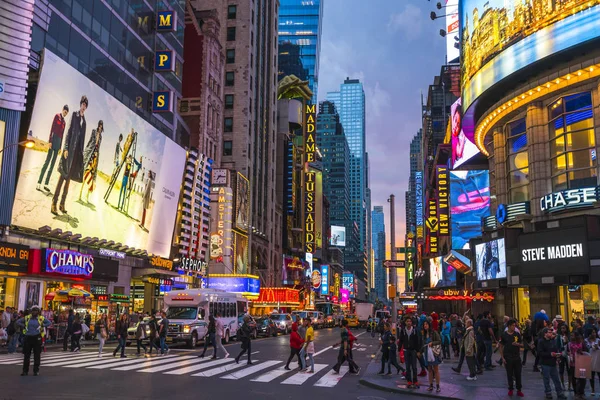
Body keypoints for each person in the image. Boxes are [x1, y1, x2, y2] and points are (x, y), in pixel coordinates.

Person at [52, 95, 88, 215]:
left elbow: (82, 141)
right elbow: (68, 133)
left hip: (76, 156)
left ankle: (62, 204)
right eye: (83, 104)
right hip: (69, 153)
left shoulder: (85, 122)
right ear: (80, 105)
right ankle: (54, 203)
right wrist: (66, 148)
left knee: (68, 181)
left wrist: (81, 157)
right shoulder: (74, 115)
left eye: (85, 105)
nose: (83, 107)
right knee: (62, 177)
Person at [38, 105, 69, 192]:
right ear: (62, 110)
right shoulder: (57, 116)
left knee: (52, 165)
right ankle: (39, 182)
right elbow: (52, 129)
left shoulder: (64, 123)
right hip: (53, 140)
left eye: (67, 113)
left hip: (58, 143)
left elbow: (62, 135)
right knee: (47, 162)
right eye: (65, 111)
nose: (65, 113)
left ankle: (46, 184)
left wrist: (60, 147)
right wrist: (50, 141)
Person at [16, 306, 51, 376]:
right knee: (26, 355)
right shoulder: (27, 318)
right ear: (31, 311)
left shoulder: (41, 318)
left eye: (36, 311)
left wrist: (42, 325)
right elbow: (18, 321)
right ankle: (25, 371)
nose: (34, 312)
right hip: (28, 337)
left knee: (37, 355)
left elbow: (49, 323)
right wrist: (24, 325)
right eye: (33, 311)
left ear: (38, 312)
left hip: (37, 337)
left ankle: (36, 370)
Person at [536, 327, 568, 399]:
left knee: (556, 379)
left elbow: (555, 349)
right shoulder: (541, 341)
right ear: (545, 334)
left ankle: (559, 393)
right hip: (545, 363)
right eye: (549, 332)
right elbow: (540, 353)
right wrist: (550, 354)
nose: (551, 334)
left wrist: (557, 356)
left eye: (551, 332)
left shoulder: (552, 341)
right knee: (546, 379)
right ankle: (548, 393)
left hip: (552, 363)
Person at [79, 120, 103, 203]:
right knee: (85, 172)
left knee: (92, 176)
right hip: (90, 154)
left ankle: (87, 196)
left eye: (101, 126)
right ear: (98, 125)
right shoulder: (94, 131)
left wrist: (99, 136)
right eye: (99, 125)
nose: (100, 127)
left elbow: (98, 146)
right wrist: (86, 151)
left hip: (95, 157)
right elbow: (90, 142)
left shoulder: (101, 137)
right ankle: (80, 193)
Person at [499, 319, 524, 397]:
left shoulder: (517, 334)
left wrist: (518, 345)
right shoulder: (504, 335)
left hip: (516, 357)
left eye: (515, 325)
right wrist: (502, 358)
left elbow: (522, 344)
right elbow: (501, 346)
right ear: (509, 326)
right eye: (513, 325)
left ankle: (519, 389)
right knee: (509, 374)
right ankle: (510, 389)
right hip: (508, 357)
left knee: (518, 374)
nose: (514, 327)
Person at [419, 320, 441, 392]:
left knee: (436, 369)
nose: (425, 325)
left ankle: (438, 386)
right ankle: (431, 385)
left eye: (426, 324)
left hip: (433, 353)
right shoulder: (424, 334)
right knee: (430, 370)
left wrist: (432, 343)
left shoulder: (434, 332)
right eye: (424, 324)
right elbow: (423, 345)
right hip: (427, 353)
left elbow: (439, 341)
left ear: (429, 325)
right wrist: (420, 352)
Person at [400, 315, 420, 388]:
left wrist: (418, 351)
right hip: (406, 350)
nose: (409, 323)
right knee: (408, 367)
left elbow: (417, 340)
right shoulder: (403, 330)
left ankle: (415, 381)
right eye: (407, 321)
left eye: (410, 321)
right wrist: (399, 350)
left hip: (413, 350)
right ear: (405, 322)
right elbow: (401, 340)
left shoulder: (414, 330)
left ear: (411, 322)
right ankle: (409, 380)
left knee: (414, 366)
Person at [569, 331, 588, 399]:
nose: (571, 337)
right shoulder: (569, 344)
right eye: (571, 335)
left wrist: (581, 352)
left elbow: (586, 351)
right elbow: (566, 352)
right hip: (572, 363)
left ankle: (581, 392)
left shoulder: (581, 343)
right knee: (574, 379)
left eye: (573, 335)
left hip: (581, 363)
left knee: (582, 379)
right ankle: (576, 392)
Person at [557, 323, 570, 392]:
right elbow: (557, 345)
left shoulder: (569, 336)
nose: (563, 329)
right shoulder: (559, 336)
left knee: (569, 370)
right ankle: (562, 385)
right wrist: (558, 355)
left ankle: (570, 385)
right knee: (561, 370)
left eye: (564, 328)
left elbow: (570, 343)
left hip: (568, 354)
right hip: (561, 354)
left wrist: (567, 340)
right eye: (562, 328)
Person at [589, 329, 600, 395]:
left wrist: (597, 347)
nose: (594, 333)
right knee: (591, 376)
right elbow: (587, 348)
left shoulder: (598, 340)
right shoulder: (587, 340)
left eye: (595, 332)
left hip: (598, 359)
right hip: (591, 359)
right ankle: (592, 390)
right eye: (592, 332)